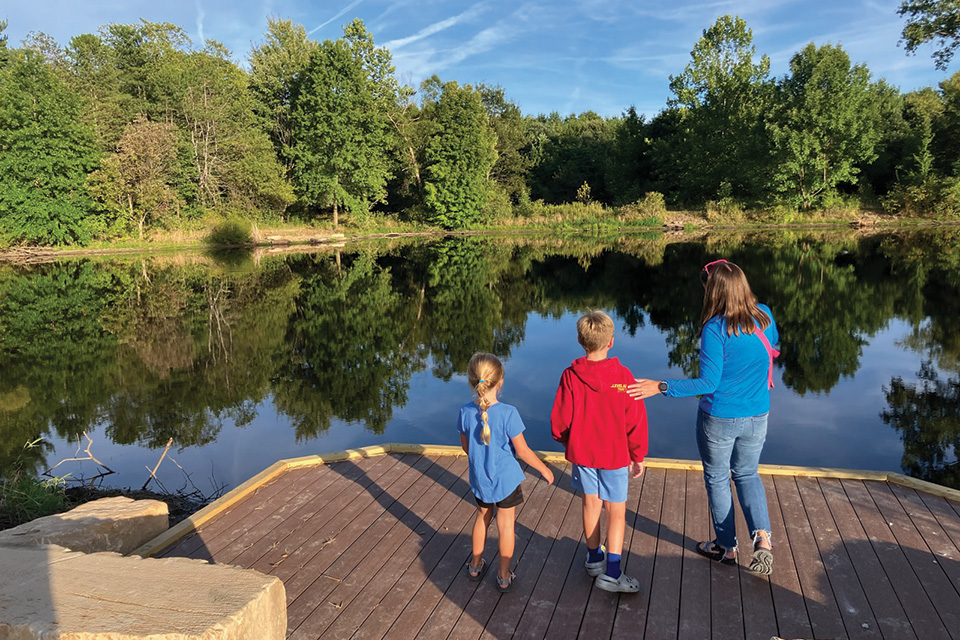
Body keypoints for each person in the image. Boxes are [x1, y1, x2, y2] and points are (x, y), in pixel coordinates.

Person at [630, 259, 778, 575]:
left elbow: (708, 383)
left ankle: (726, 547)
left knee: (717, 477)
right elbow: (767, 349)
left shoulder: (715, 329)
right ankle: (762, 538)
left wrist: (661, 386)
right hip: (758, 414)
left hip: (720, 417)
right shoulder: (765, 315)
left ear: (714, 291)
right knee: (748, 474)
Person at [551, 311, 648, 593]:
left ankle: (594, 559)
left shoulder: (570, 376)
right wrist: (637, 454)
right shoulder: (623, 377)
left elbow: (560, 420)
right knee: (615, 512)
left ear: (581, 341)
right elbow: (635, 419)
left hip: (583, 454)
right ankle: (613, 573)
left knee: (590, 504)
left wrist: (566, 440)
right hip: (615, 456)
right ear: (611, 342)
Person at [458, 352, 555, 593]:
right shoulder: (509, 413)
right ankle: (503, 575)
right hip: (506, 481)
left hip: (480, 478)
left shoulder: (465, 412)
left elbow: (466, 447)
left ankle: (475, 564)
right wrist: (544, 469)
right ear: (500, 382)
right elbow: (522, 451)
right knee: (506, 526)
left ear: (472, 381)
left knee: (482, 516)